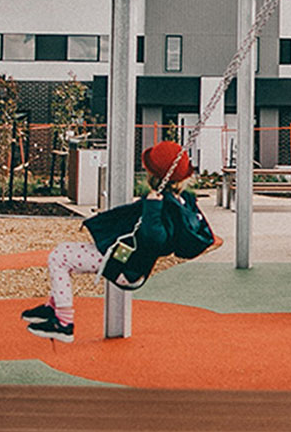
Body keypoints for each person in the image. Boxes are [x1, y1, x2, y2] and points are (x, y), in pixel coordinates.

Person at [22, 140, 214, 343]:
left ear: (151, 174)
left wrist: (152, 208)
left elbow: (155, 239)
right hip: (123, 255)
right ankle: (53, 307)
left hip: (123, 264)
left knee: (58, 258)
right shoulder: (180, 202)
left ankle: (63, 323)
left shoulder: (160, 206)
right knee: (63, 252)